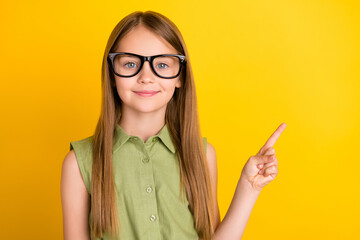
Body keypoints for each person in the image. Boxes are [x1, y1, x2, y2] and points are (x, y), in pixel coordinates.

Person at [60, 10, 287, 240]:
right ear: (112, 73)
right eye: (130, 64)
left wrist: (249, 188)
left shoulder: (202, 154)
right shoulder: (79, 163)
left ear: (180, 76)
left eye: (162, 65)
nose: (146, 76)